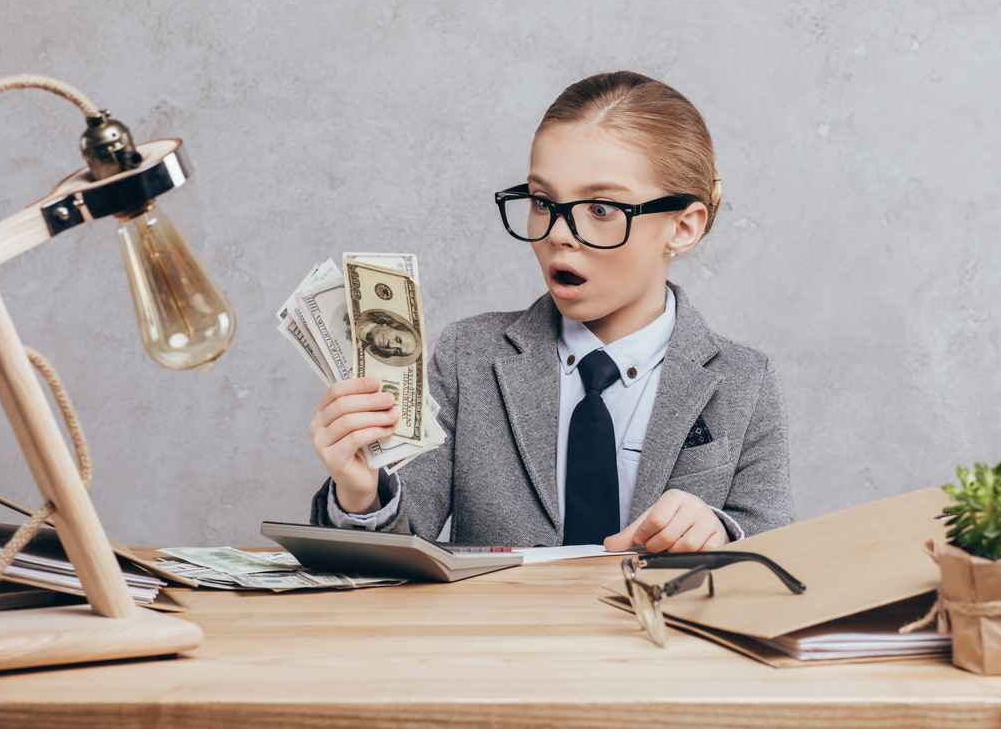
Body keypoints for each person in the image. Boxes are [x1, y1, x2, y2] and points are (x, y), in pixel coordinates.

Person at [307, 71, 792, 552]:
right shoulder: (467, 358)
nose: (558, 233)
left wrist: (721, 534)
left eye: (601, 208)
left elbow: (775, 555)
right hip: (505, 630)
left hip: (656, 629)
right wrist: (359, 492)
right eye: (543, 201)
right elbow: (394, 554)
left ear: (683, 228)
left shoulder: (747, 381)